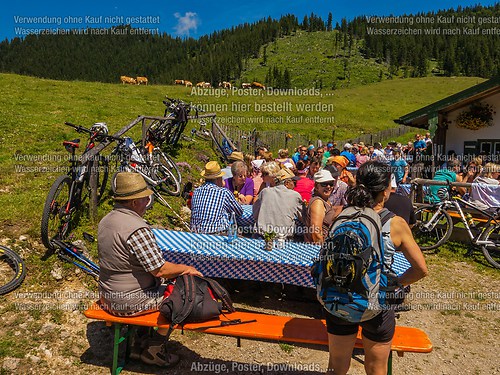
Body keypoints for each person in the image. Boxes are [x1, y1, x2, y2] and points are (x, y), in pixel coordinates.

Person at [326, 161, 428, 375]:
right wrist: (396, 284)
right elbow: (420, 269)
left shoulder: (341, 215)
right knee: (376, 368)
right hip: (377, 303)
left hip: (340, 297)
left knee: (336, 366)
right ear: (385, 191)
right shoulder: (396, 224)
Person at [98, 172, 202, 367]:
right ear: (134, 202)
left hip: (107, 296)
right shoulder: (136, 228)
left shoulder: (106, 221)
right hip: (128, 301)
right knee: (180, 297)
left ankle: (139, 344)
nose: (148, 201)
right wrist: (186, 268)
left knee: (161, 288)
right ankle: (154, 350)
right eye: (145, 198)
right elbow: (160, 270)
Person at [190, 161, 243, 234]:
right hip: (216, 234)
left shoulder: (196, 191)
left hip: (196, 233)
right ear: (218, 179)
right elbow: (239, 212)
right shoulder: (223, 192)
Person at [253, 167, 304, 238]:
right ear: (287, 183)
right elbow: (303, 218)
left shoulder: (265, 192)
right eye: (294, 183)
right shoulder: (295, 195)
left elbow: (255, 214)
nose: (295, 186)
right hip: (283, 239)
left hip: (261, 237)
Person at [304, 170, 341, 244]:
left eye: (330, 184)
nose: (328, 187)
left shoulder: (325, 202)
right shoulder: (318, 203)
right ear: (317, 186)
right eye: (324, 184)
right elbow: (316, 232)